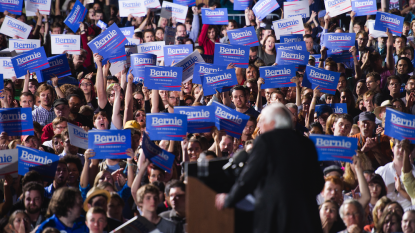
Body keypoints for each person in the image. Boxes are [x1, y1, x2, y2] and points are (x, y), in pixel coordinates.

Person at [215, 103, 324, 233]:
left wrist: (229, 199)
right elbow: (318, 183)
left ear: (272, 122)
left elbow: (249, 177)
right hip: (307, 219)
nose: (259, 126)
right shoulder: (307, 143)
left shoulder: (265, 140)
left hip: (276, 219)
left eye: (261, 121)